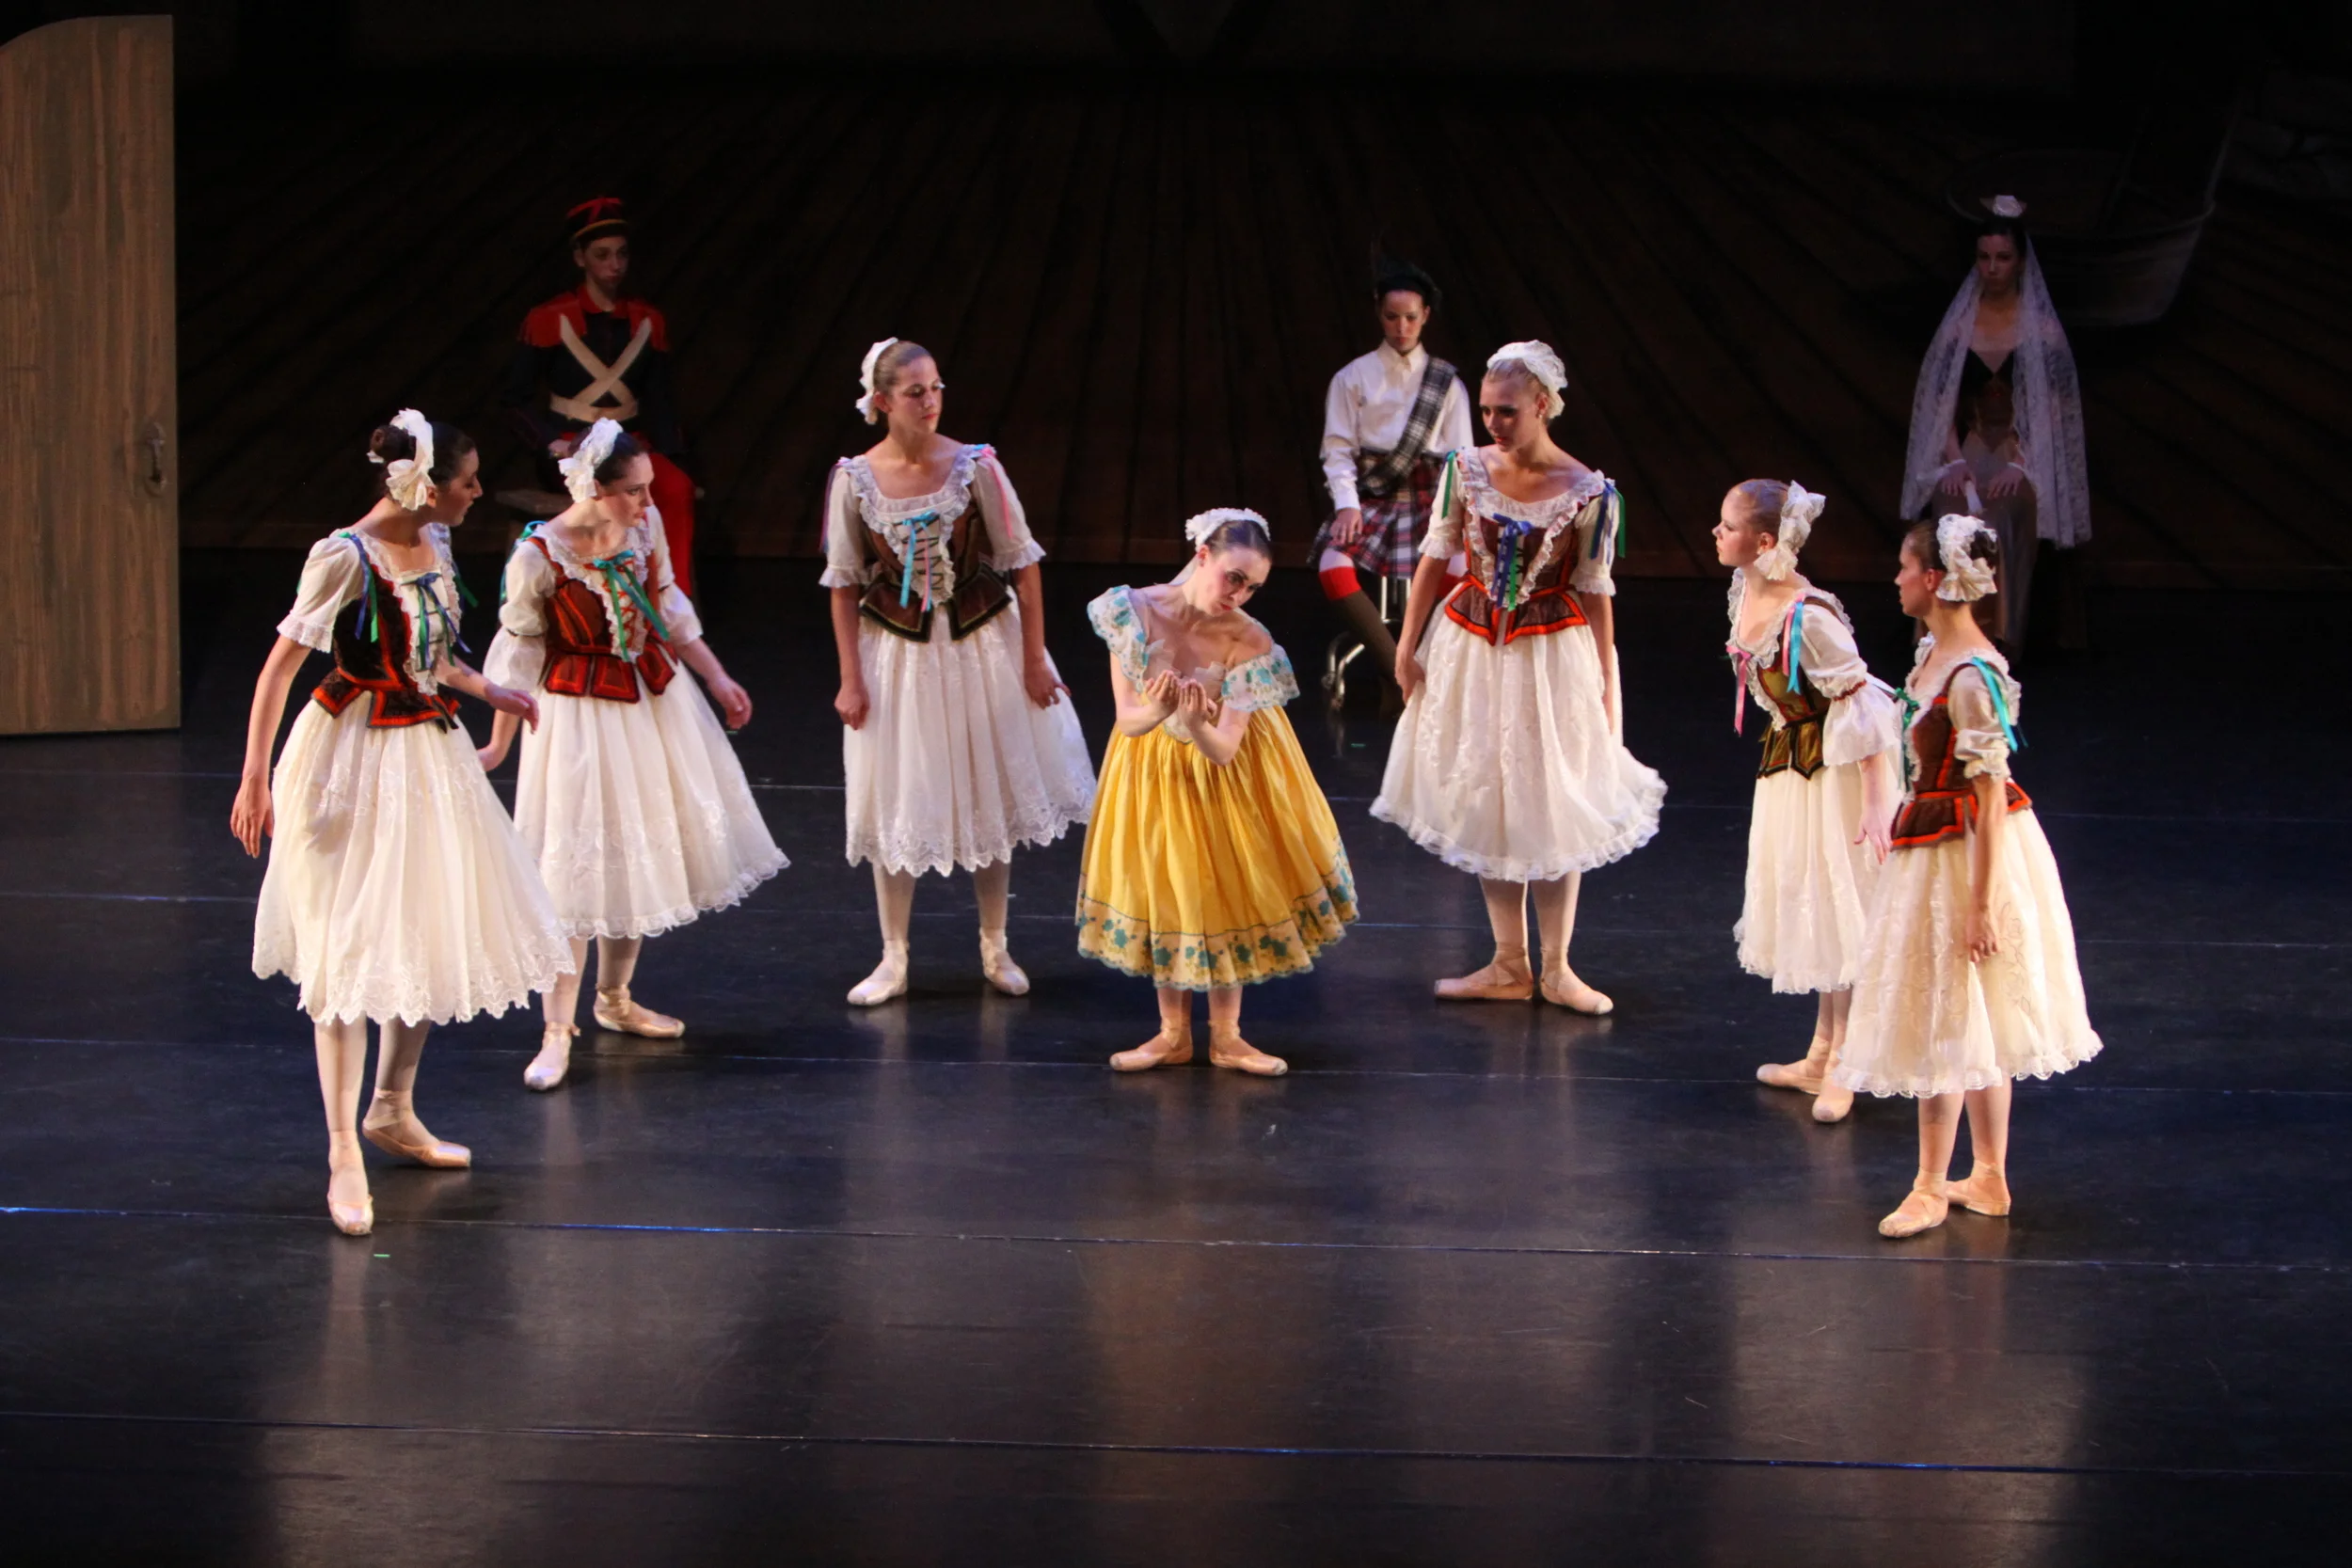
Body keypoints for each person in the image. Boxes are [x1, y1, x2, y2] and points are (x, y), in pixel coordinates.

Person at [232, 411, 570, 1236]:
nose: (478, 492)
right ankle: (342, 1149)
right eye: (467, 480)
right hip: (352, 756)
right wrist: (254, 778)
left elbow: (434, 657)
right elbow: (278, 669)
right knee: (349, 947)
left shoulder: (436, 544)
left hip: (426, 752)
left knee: (422, 928)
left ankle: (392, 1106)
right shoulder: (345, 557)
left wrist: (490, 690)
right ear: (425, 485)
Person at [481, 418, 787, 1092]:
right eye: (635, 491)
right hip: (577, 716)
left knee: (634, 855)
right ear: (595, 488)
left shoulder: (644, 531)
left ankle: (614, 999)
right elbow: (518, 653)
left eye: (648, 489)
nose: (648, 502)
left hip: (647, 703)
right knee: (573, 870)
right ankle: (556, 1028)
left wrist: (717, 677)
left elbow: (667, 609)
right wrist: (500, 741)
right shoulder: (540, 554)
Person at [1374, 341, 1665, 1013]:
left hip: (1549, 651)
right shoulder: (1466, 470)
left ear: (1542, 405)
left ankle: (1556, 967)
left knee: (1551, 798)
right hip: (1472, 645)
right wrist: (1406, 645)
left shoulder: (1588, 491)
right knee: (1490, 795)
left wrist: (1603, 676)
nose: (1494, 423)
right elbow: (1434, 555)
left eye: (1506, 411)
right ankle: (1509, 961)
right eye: (1486, 411)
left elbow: (1596, 588)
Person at [1836, 516, 2102, 1238]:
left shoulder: (1972, 674)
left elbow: (1987, 788)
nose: (1896, 579)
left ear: (1933, 579)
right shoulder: (1933, 655)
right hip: (1933, 835)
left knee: (1948, 1009)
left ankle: (1931, 1183)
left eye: (1904, 567)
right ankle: (1987, 1174)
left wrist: (1981, 904)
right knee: (1963, 1009)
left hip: (1967, 848)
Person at [822, 338, 1096, 1004]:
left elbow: (1022, 564)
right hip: (898, 655)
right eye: (916, 392)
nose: (931, 401)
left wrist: (1034, 660)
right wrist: (850, 678)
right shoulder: (855, 479)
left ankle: (995, 945)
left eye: (937, 387)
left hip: (979, 644)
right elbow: (844, 582)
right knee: (899, 795)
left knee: (987, 790)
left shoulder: (976, 468)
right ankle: (893, 955)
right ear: (882, 401)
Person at [1076, 510, 1358, 1076]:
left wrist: (1195, 722)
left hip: (1227, 773)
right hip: (1152, 766)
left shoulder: (1247, 640)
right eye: (1234, 578)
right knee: (1166, 882)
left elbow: (1225, 746)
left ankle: (1227, 1036)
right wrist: (1161, 709)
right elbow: (1127, 719)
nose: (1239, 594)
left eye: (1252, 587)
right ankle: (1172, 1034)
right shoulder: (1132, 611)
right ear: (1202, 556)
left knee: (1223, 884)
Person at [1712, 479, 1899, 1124]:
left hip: (1838, 768)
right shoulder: (1745, 589)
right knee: (1815, 903)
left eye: (1728, 525)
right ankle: (1822, 1050)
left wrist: (1874, 802)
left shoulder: (1809, 616)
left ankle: (1849, 1060)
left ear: (1764, 540)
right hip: (1793, 762)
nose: (1717, 533)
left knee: (1843, 905)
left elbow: (1862, 703)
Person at [1900, 196, 2091, 651]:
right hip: (1966, 450)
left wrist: (2021, 464)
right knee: (1950, 514)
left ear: (2020, 262)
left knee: (2000, 517)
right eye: (1984, 257)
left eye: (2002, 258)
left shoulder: (2041, 330)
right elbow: (1940, 404)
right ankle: (1942, 637)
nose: (1992, 268)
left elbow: (2052, 411)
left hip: (2022, 455)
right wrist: (1954, 462)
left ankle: (1997, 636)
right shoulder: (1958, 327)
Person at [502, 197, 703, 593]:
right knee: (612, 495)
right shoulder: (549, 319)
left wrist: (670, 457)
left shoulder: (647, 321)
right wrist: (551, 443)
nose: (615, 265)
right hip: (573, 449)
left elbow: (661, 401)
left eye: (621, 254)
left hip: (630, 446)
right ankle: (610, 601)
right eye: (602, 255)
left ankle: (667, 600)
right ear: (581, 258)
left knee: (675, 489)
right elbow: (513, 401)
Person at [1314, 254, 1475, 699]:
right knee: (1332, 567)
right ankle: (1400, 676)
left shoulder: (1446, 383)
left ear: (1425, 316)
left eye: (1410, 317)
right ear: (1378, 314)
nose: (1401, 327)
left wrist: (1459, 514)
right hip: (1371, 495)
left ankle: (1418, 663)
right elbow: (1337, 450)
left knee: (1462, 568)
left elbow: (1462, 459)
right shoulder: (1352, 377)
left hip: (1432, 496)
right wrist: (1346, 505)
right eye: (1391, 317)